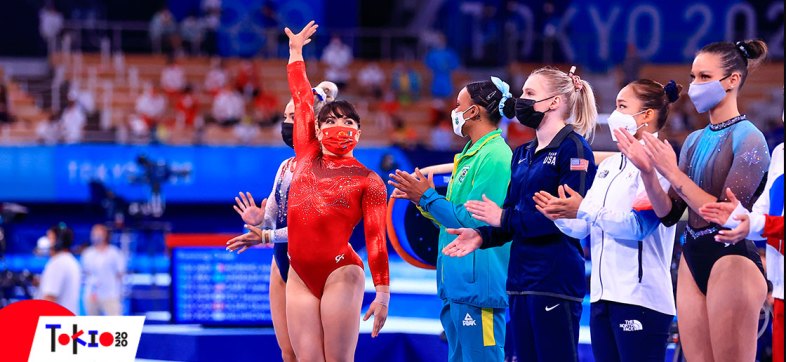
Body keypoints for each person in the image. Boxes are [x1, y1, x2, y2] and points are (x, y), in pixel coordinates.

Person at [624, 40, 770, 361]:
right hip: (692, 256)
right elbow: (670, 213)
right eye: (693, 76)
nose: (694, 86)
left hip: (731, 259)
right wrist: (649, 172)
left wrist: (672, 173)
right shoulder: (693, 140)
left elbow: (725, 215)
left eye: (704, 77)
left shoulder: (750, 138)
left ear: (732, 80)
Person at [442, 65, 598, 362]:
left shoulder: (574, 149)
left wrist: (502, 219)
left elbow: (564, 219)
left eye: (529, 93)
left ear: (554, 102)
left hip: (554, 279)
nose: (520, 100)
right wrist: (482, 235)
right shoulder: (523, 153)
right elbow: (513, 216)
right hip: (520, 280)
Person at [534, 79, 683, 362]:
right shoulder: (610, 166)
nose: (614, 114)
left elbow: (637, 227)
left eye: (622, 106)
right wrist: (559, 213)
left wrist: (584, 207)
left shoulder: (662, 167)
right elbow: (583, 228)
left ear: (647, 115)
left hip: (641, 299)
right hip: (603, 297)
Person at [279, 21, 389, 361]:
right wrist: (295, 53)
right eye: (330, 121)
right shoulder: (306, 152)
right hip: (299, 273)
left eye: (348, 122)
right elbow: (301, 96)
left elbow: (375, 239)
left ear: (359, 132)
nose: (338, 127)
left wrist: (383, 293)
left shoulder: (369, 180)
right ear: (316, 128)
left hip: (341, 271)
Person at [389, 77, 514, 361]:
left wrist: (427, 198)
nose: (454, 110)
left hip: (478, 287)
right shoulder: (469, 156)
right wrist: (423, 201)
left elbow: (473, 222)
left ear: (476, 111)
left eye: (459, 105)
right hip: (457, 284)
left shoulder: (495, 156)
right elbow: (453, 222)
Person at [227, 80, 339, 361]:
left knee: (317, 354)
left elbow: (308, 230)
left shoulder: (329, 167)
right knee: (288, 353)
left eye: (294, 117)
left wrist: (265, 236)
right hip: (282, 263)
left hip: (315, 267)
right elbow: (273, 218)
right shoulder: (286, 167)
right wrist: (259, 220)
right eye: (286, 118)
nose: (288, 124)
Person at [699, 114, 784, 362]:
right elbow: (762, 217)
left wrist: (756, 222)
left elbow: (763, 222)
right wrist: (738, 217)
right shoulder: (780, 152)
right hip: (780, 292)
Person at [82, 224, 125, 316]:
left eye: (98, 233)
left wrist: (119, 293)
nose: (95, 236)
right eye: (93, 233)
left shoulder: (115, 253)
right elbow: (86, 273)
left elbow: (120, 274)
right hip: (91, 295)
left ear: (105, 235)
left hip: (110, 295)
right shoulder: (87, 253)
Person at [38, 223, 81, 314]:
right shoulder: (71, 260)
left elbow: (50, 299)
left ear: (59, 241)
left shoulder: (57, 263)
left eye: (49, 238)